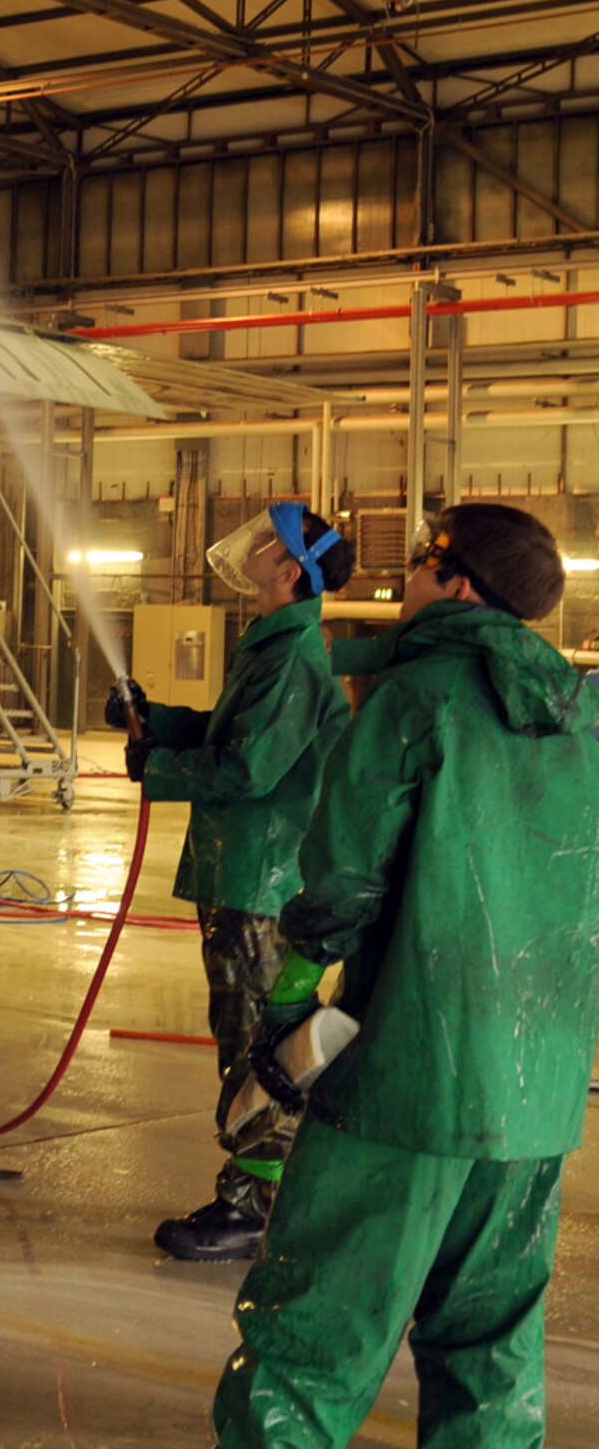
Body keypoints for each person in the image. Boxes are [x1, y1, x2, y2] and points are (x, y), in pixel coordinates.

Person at [212, 502, 599, 1448]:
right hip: (537, 1097)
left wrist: (295, 994)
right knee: (490, 1352)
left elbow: (341, 879)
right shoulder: (584, 716)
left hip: (405, 1085)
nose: (406, 580)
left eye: (422, 560)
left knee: (312, 1339)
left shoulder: (414, 698)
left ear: (457, 582)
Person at [109, 503, 355, 1261]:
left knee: (257, 1049)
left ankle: (251, 1207)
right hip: (246, 870)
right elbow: (231, 731)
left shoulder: (289, 657)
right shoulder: (272, 645)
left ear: (290, 572)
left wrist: (159, 767)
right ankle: (275, 1197)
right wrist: (162, 724)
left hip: (260, 879)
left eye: (268, 542)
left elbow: (247, 769)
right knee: (253, 1040)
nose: (250, 547)